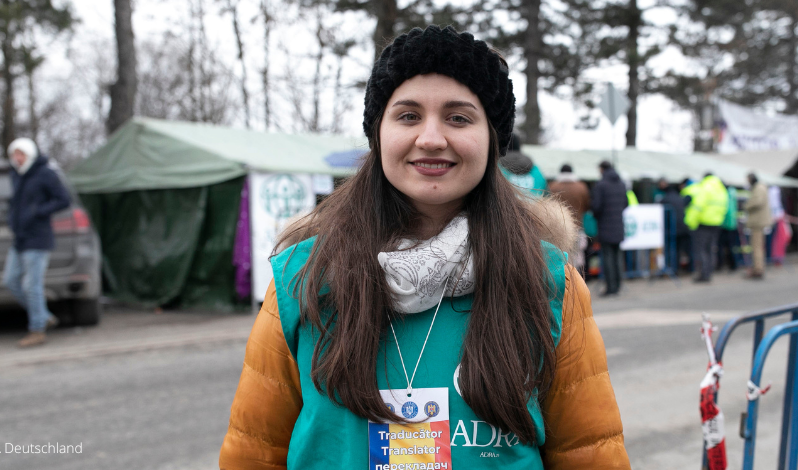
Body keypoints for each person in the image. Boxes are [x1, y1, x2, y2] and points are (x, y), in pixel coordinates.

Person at [219, 25, 629, 469]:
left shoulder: (550, 281)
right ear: (378, 134)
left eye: (458, 117)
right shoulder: (301, 277)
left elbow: (589, 456)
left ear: (493, 140)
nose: (431, 138)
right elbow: (252, 456)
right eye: (409, 115)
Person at [3, 138, 71, 347]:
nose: (17, 158)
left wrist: (38, 212)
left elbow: (63, 199)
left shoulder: (45, 174)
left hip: (38, 237)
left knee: (32, 286)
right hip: (21, 237)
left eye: (21, 154)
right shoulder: (16, 175)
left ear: (30, 154)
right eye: (14, 154)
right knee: (10, 280)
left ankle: (37, 329)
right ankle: (43, 315)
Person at [591, 160, 629, 296]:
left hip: (605, 226)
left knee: (607, 258)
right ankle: (618, 286)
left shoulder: (601, 185)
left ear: (602, 169)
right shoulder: (621, 184)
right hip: (618, 225)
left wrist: (596, 216)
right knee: (617, 256)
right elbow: (626, 203)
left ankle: (610, 288)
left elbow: (596, 207)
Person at [685, 172, 728, 283]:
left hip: (703, 223)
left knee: (701, 250)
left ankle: (703, 275)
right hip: (717, 223)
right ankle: (709, 273)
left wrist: (690, 222)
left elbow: (697, 206)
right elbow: (725, 208)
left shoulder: (705, 187)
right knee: (710, 249)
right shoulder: (721, 189)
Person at [549, 164, 591, 275]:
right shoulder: (581, 187)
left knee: (561, 256)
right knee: (577, 255)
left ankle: (564, 283)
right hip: (577, 227)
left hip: (559, 228)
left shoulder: (553, 186)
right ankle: (578, 282)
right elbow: (587, 206)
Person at [655, 178, 687, 274]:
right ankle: (676, 269)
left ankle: (672, 269)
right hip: (682, 228)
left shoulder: (665, 199)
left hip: (671, 229)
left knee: (671, 250)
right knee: (678, 250)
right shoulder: (680, 198)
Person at [745, 173, 770, 279]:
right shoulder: (760, 187)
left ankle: (758, 269)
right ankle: (758, 268)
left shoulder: (759, 188)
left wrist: (747, 205)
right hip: (758, 221)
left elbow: (758, 201)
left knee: (756, 247)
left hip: (757, 222)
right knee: (758, 246)